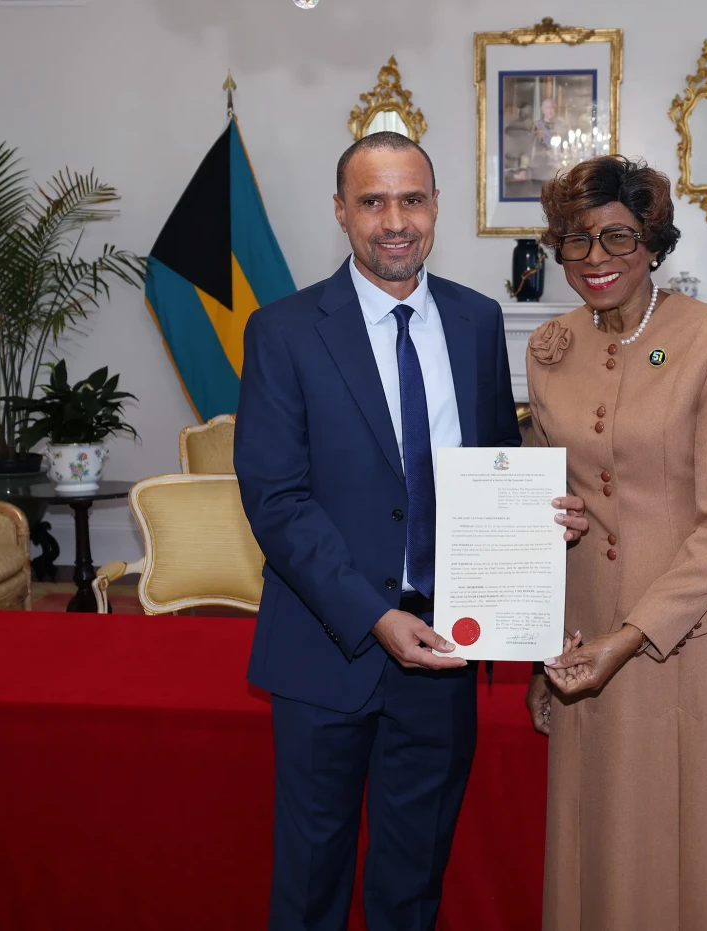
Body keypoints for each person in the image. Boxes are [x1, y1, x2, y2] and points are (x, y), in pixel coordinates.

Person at [234, 131, 588, 931]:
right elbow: (277, 500)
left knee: (412, 880)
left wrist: (543, 512)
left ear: (435, 208)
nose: (395, 220)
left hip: (444, 651)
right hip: (328, 646)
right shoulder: (283, 330)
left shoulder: (474, 319)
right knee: (310, 881)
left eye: (412, 199)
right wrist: (373, 613)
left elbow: (494, 463)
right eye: (372, 201)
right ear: (340, 212)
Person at [524, 155, 707, 930]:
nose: (595, 260)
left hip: (682, 635)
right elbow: (543, 501)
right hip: (581, 629)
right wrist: (535, 641)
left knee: (684, 842)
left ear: (653, 242)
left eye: (617, 238)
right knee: (597, 836)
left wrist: (631, 635)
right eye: (575, 240)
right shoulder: (547, 348)